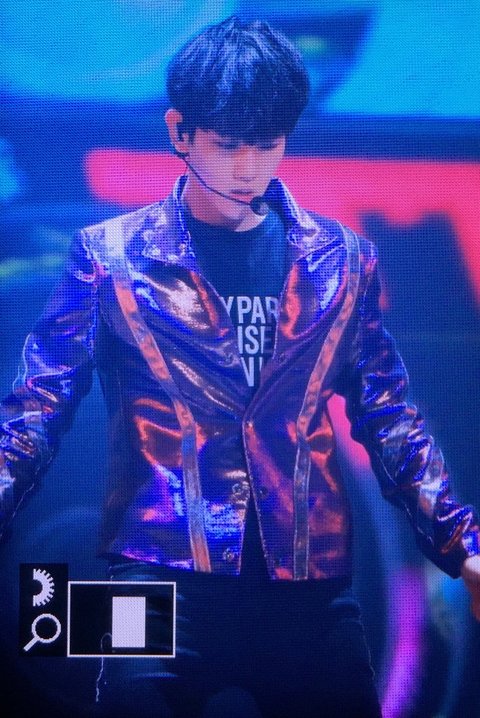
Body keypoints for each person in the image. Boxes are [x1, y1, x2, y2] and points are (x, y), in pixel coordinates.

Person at [1, 15, 480, 718]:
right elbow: (37, 408)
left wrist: (463, 544)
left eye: (267, 144)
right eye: (228, 145)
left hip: (307, 589)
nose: (248, 167)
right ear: (180, 131)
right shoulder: (110, 258)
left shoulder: (341, 261)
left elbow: (390, 417)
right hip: (155, 577)